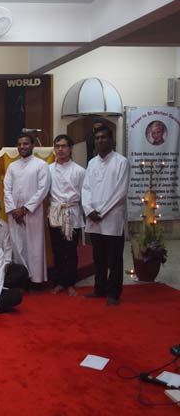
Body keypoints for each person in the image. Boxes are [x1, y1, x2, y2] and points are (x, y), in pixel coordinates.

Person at [82, 125, 129, 306]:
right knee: (98, 257)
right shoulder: (92, 163)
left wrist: (101, 211)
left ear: (111, 140)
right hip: (94, 217)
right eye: (97, 138)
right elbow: (86, 189)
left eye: (103, 137)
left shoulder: (121, 162)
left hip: (111, 218)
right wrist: (89, 210)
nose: (100, 140)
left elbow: (121, 192)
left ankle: (114, 293)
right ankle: (99, 289)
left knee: (114, 259)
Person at [3, 133, 50, 287]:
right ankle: (20, 280)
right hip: (14, 213)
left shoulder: (41, 165)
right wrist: (13, 210)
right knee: (17, 245)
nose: (22, 147)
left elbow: (43, 190)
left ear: (32, 145)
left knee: (34, 246)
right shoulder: (12, 166)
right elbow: (6, 189)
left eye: (25, 144)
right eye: (20, 144)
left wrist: (25, 209)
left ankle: (35, 280)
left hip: (32, 212)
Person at [48, 135, 85, 297]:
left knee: (70, 250)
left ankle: (70, 283)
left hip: (72, 212)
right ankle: (59, 282)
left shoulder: (79, 171)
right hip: (55, 211)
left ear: (70, 149)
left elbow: (85, 194)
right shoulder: (48, 169)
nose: (60, 150)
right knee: (57, 249)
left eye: (63, 146)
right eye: (57, 146)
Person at [0, 197, 29, 289]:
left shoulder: (5, 227)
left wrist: (4, 269)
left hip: (1, 266)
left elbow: (8, 251)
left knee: (22, 270)